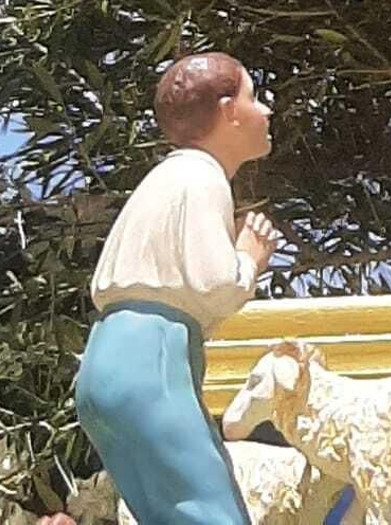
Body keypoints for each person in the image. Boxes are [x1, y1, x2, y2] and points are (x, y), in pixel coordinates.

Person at [73, 52, 281, 524]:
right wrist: (249, 257)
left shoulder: (166, 177)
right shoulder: (202, 176)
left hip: (106, 363)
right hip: (153, 355)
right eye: (254, 97)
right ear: (228, 110)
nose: (265, 111)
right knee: (209, 513)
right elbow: (215, 286)